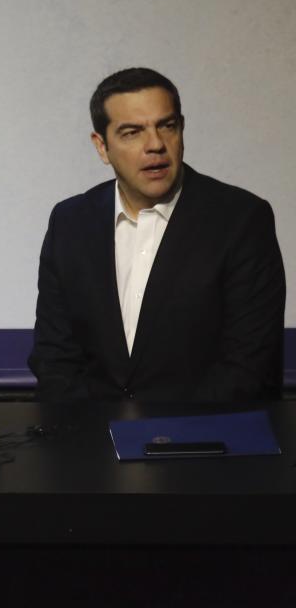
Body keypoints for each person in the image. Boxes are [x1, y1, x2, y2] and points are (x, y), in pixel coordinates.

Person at [29, 67, 285, 401]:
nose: (155, 145)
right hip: (90, 438)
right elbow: (54, 357)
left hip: (204, 441)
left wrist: (162, 438)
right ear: (101, 147)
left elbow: (248, 365)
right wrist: (93, 434)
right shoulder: (70, 221)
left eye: (167, 126)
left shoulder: (242, 219)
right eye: (132, 132)